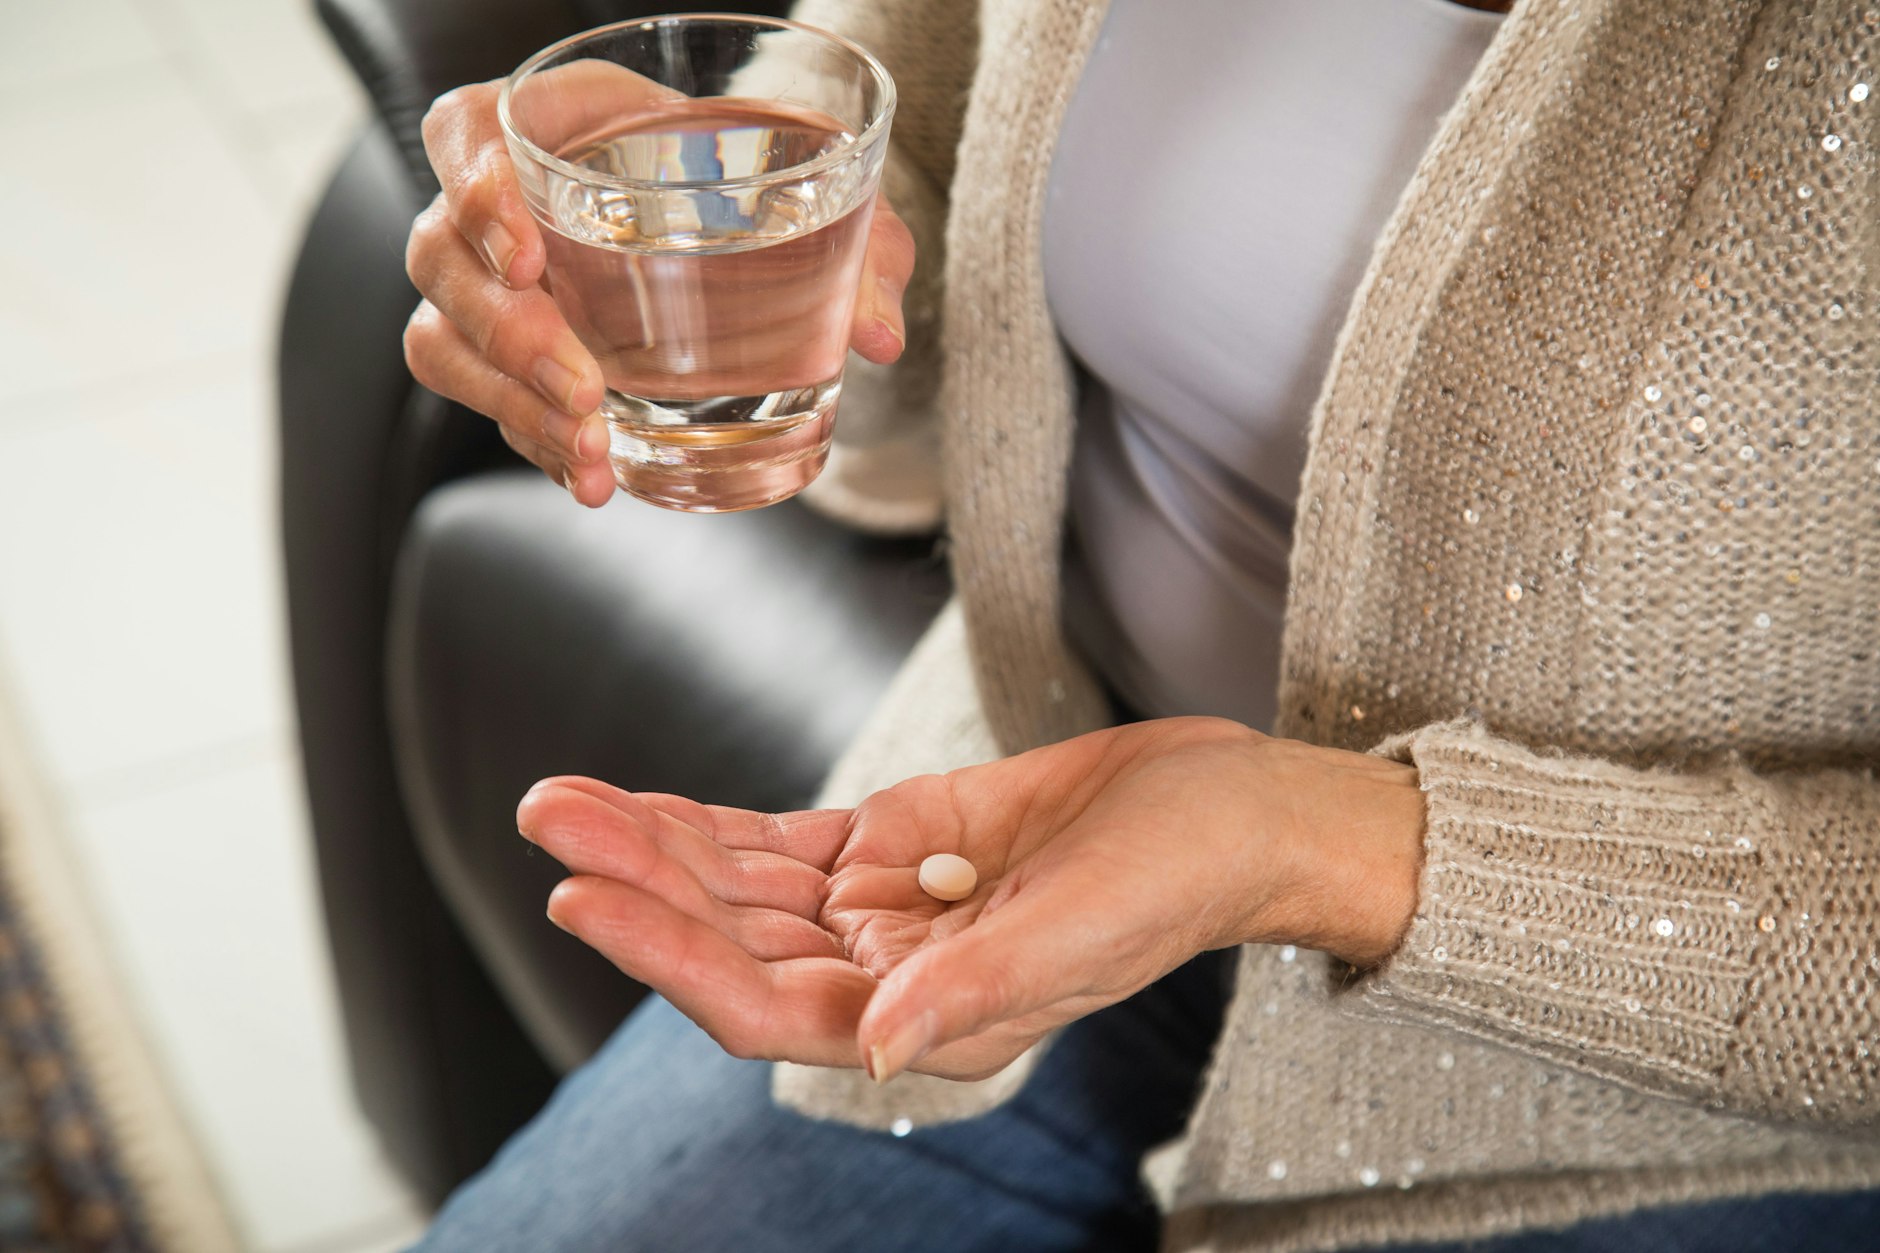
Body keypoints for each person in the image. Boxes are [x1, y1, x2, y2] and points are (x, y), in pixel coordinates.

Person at [398, 0, 1880, 1249]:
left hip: (1647, 1111)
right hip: (1011, 824)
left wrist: (1325, 847)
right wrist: (759, 240)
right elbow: (905, 105)